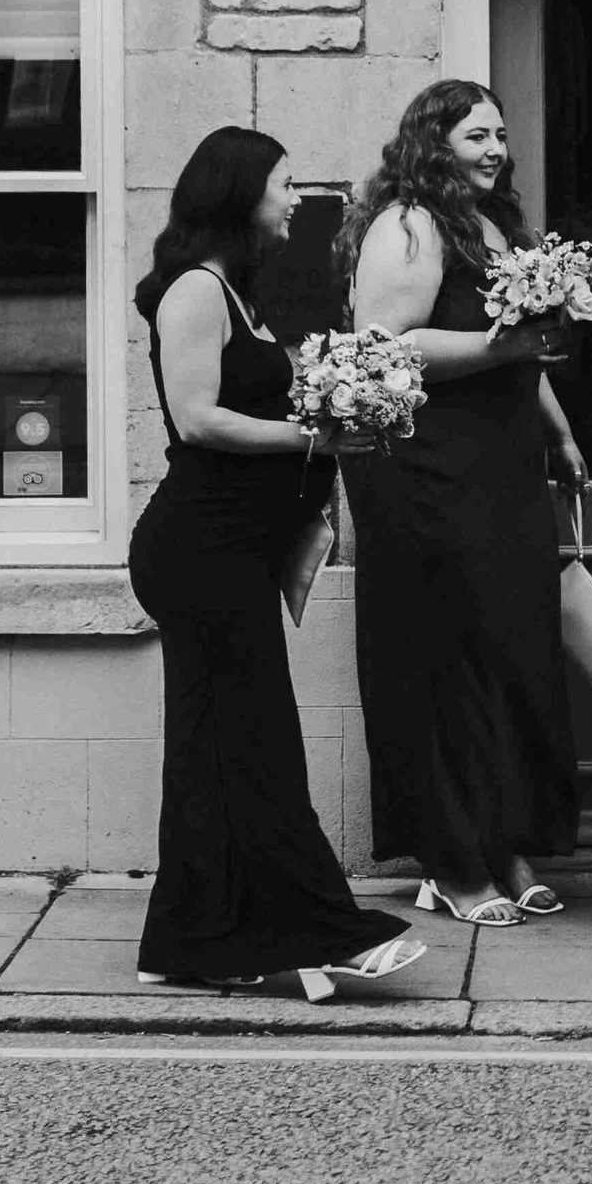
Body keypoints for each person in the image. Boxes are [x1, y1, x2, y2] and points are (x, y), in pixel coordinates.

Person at [128, 125, 425, 1002]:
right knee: (252, 744)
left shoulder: (235, 291)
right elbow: (198, 420)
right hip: (198, 551)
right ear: (238, 191)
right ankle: (324, 931)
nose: (297, 198)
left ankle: (186, 940)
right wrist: (312, 432)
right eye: (285, 184)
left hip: (229, 552)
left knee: (213, 746)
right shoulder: (194, 292)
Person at [339, 79, 587, 929]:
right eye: (477, 135)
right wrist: (504, 343)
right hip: (428, 476)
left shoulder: (494, 225)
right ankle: (453, 861)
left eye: (500, 135)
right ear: (433, 142)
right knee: (444, 663)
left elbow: (524, 352)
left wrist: (555, 430)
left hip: (505, 467)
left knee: (509, 653)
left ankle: (505, 842)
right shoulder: (407, 225)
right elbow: (384, 348)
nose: (495, 150)